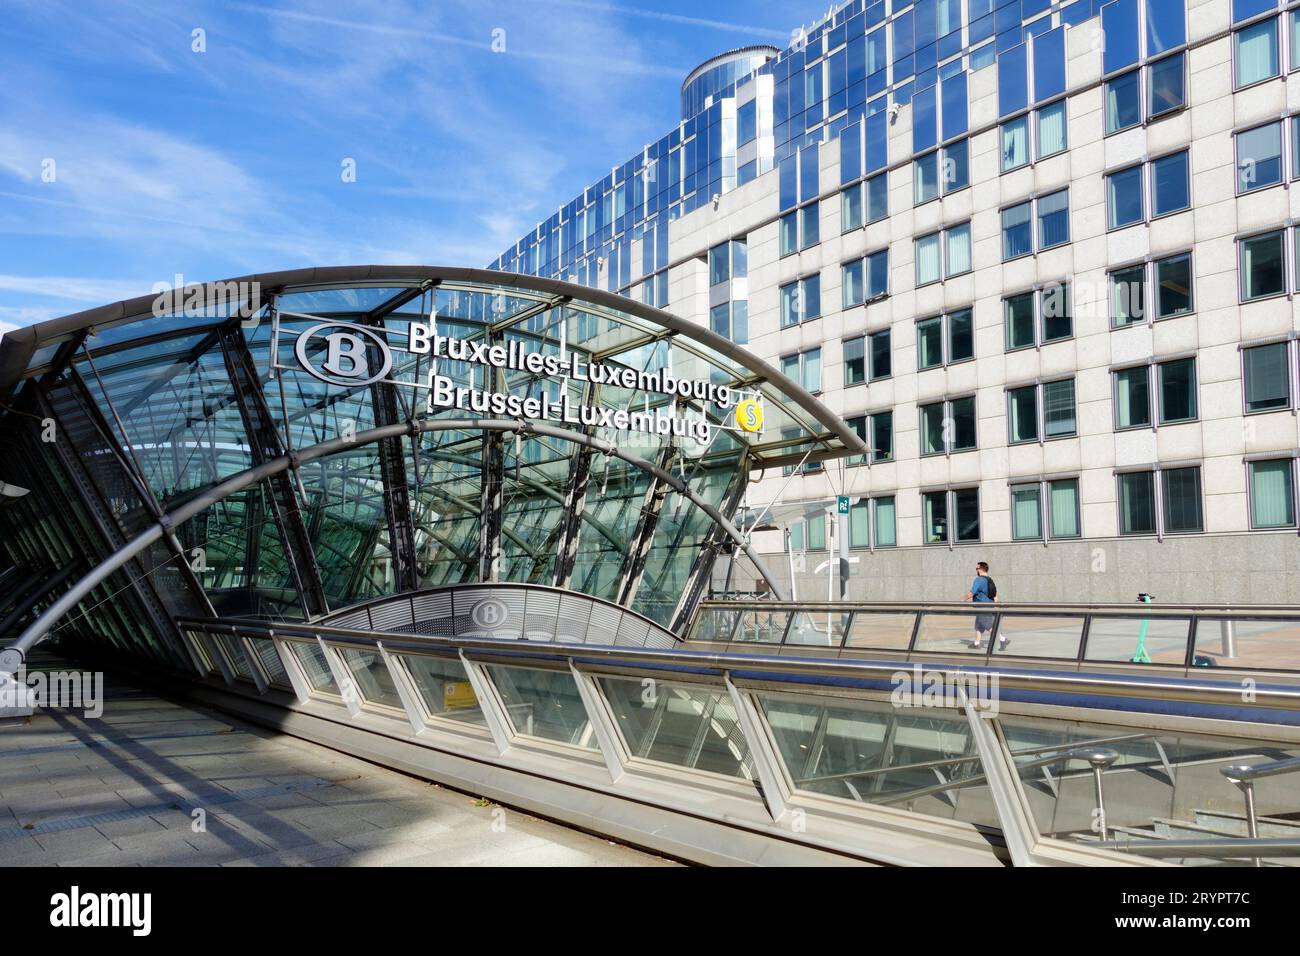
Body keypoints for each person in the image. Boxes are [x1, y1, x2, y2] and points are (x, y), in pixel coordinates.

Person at [964, 561, 996, 649]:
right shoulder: (989, 579)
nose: (976, 570)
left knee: (987, 626)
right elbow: (995, 595)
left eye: (977, 568)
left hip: (982, 606)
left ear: (981, 569)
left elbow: (971, 593)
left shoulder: (979, 579)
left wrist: (962, 600)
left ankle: (1002, 639)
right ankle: (976, 643)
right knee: (979, 625)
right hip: (989, 605)